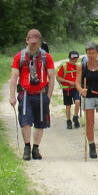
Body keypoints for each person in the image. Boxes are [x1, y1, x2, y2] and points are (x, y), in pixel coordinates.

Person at [9, 29, 55, 161]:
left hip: (41, 94)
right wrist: (12, 96)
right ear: (27, 40)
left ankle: (36, 148)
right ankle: (27, 147)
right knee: (25, 121)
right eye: (31, 42)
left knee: (40, 123)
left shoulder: (46, 57)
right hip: (25, 93)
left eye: (36, 42)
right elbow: (14, 77)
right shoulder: (20, 57)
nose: (33, 44)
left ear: (39, 41)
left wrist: (49, 96)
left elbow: (51, 77)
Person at [56, 51, 81, 129]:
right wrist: (68, 82)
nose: (74, 60)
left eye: (76, 59)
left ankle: (75, 117)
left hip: (75, 88)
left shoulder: (78, 66)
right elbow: (59, 78)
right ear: (70, 58)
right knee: (68, 105)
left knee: (78, 102)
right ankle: (68, 121)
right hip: (67, 89)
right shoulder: (64, 66)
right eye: (73, 59)